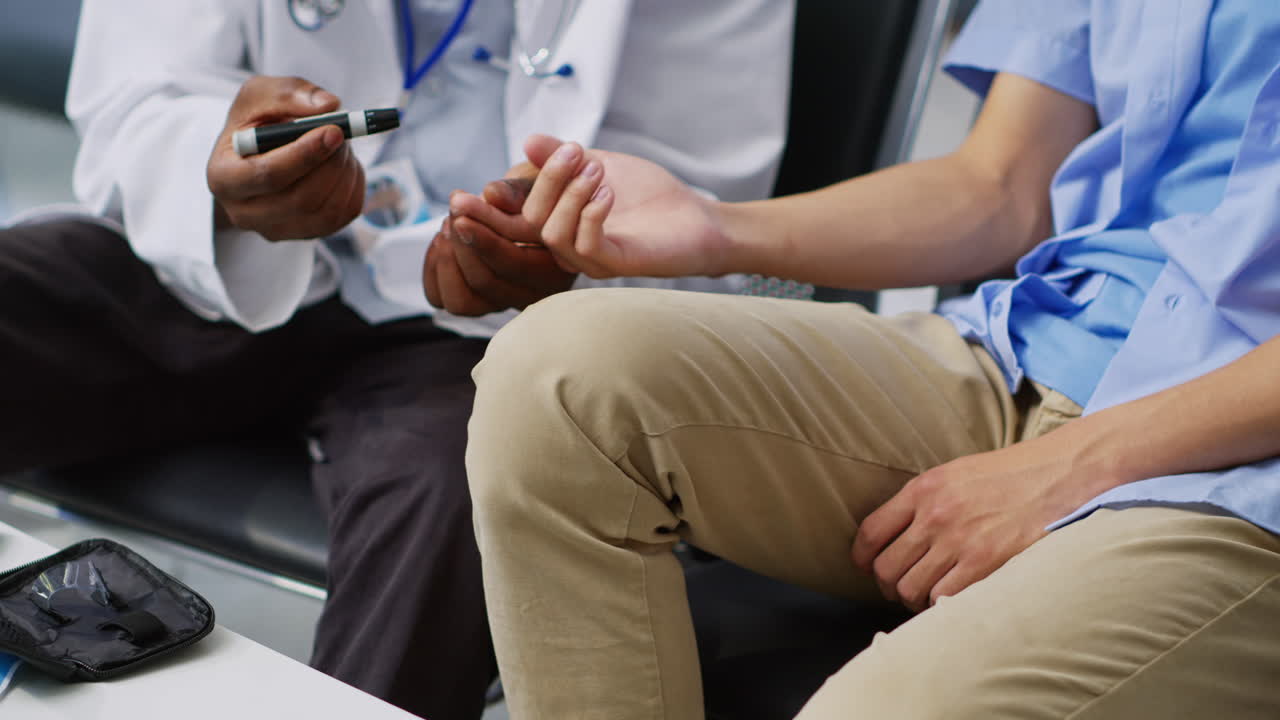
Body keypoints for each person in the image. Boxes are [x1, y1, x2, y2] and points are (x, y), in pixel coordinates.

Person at [460, 1, 1280, 717]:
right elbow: (1000, 186)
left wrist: (1070, 467)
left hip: (1246, 469)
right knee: (560, 379)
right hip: (1040, 348)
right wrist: (717, 228)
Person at [0, 1, 793, 718]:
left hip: (487, 335)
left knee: (476, 484)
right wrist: (216, 168)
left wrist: (575, 252)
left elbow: (701, 211)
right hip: (216, 263)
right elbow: (134, 95)